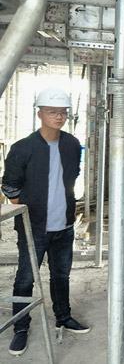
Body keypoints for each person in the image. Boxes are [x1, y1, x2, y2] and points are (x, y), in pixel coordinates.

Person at [1, 87, 90, 356]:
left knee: (61, 275)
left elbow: (73, 176)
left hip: (65, 225)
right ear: (39, 114)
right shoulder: (23, 148)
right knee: (26, 278)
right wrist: (32, 211)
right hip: (35, 227)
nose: (59, 116)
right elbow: (10, 187)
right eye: (52, 111)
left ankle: (63, 317)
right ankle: (20, 327)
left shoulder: (71, 144)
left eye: (63, 112)